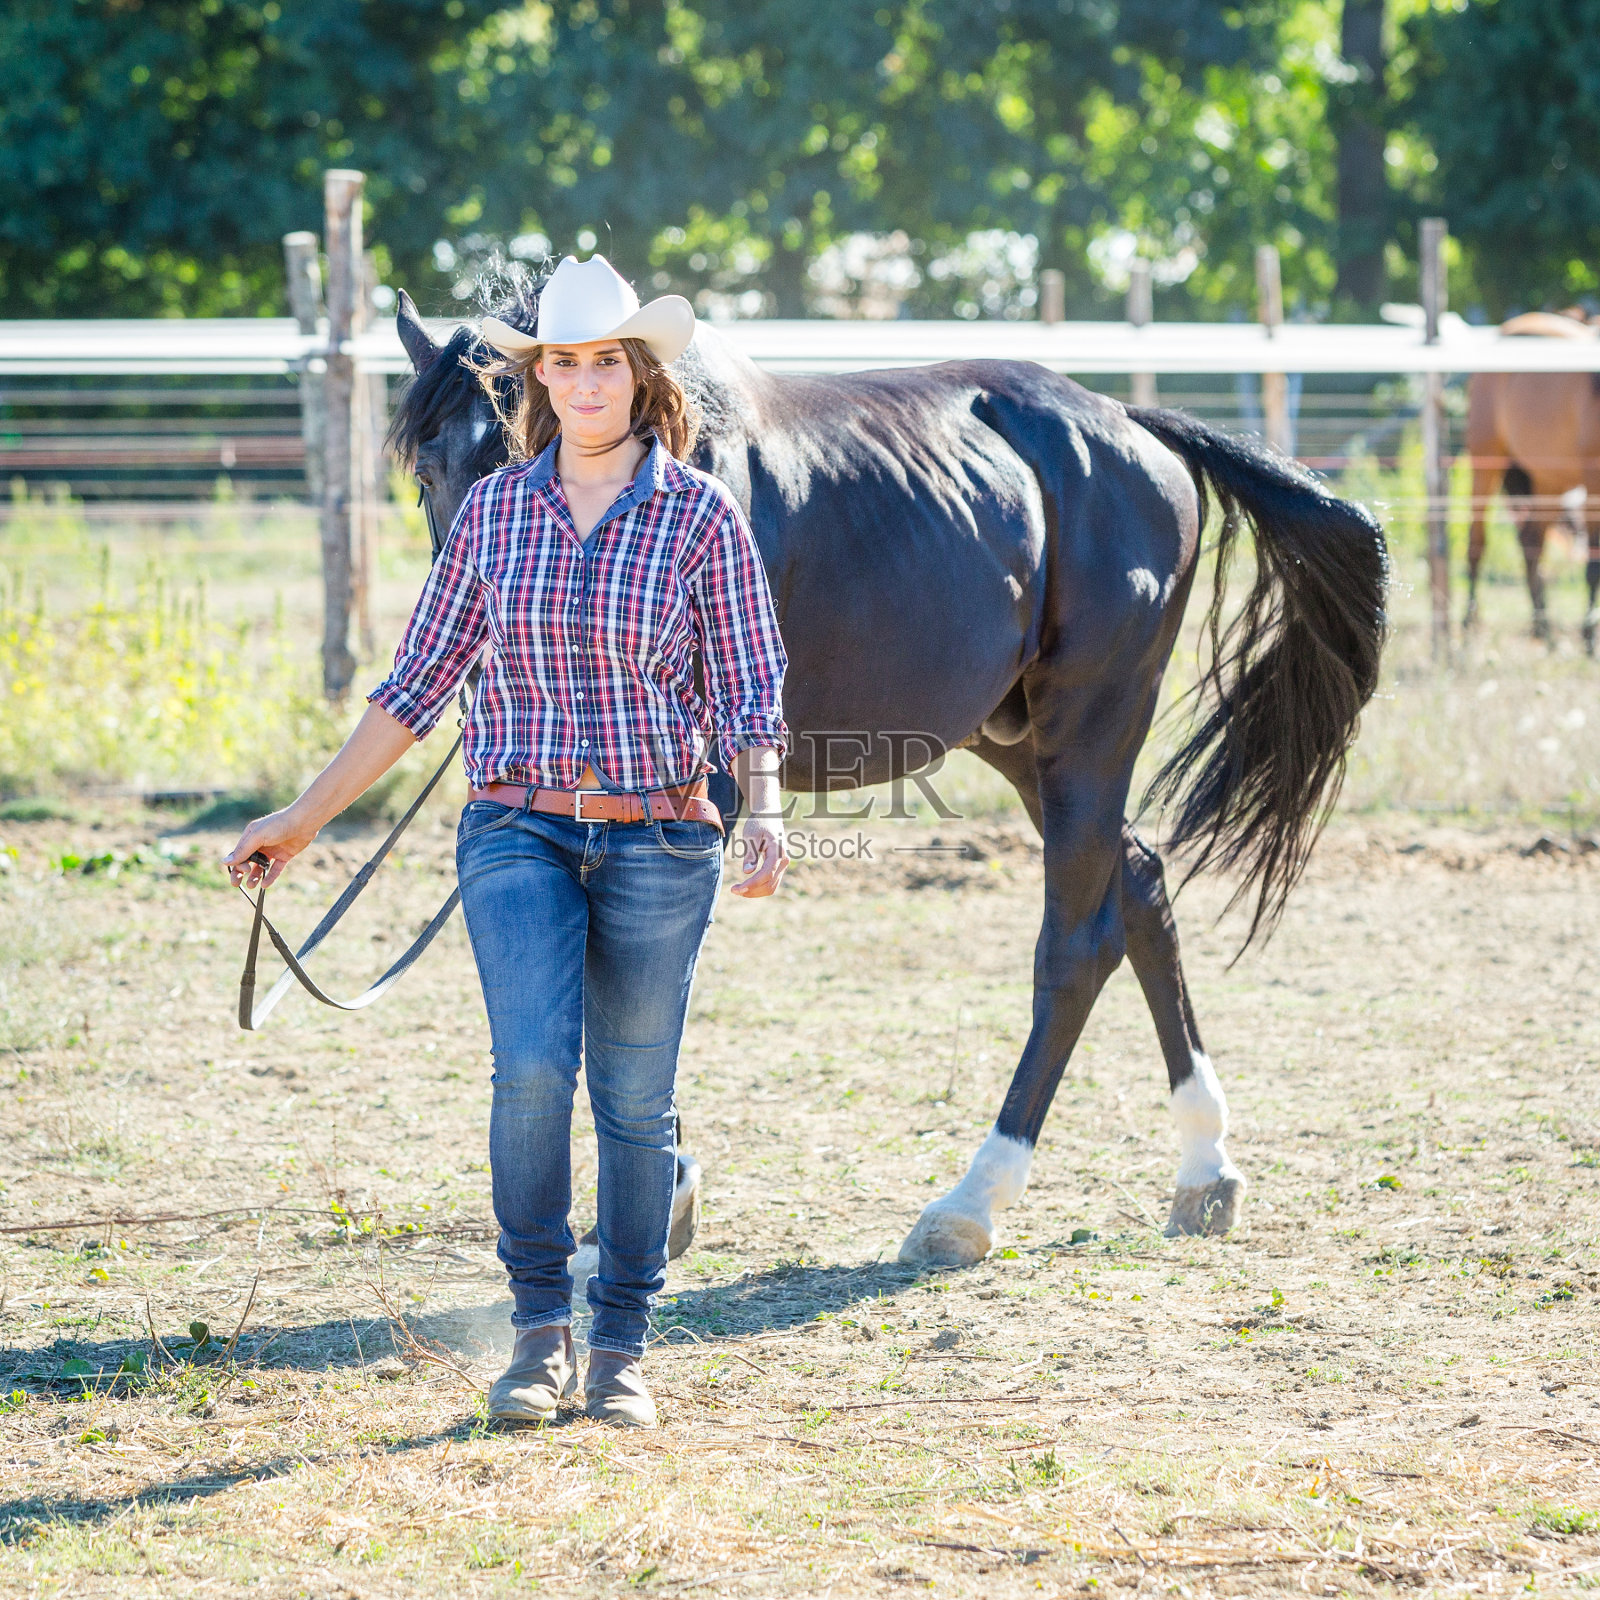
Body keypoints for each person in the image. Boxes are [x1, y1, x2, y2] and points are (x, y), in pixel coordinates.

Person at [224, 253, 789, 1429]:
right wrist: (302, 818)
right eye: (565, 364)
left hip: (657, 837)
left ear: (641, 376)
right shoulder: (492, 512)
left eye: (606, 364)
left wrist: (766, 808)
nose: (586, 384)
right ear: (541, 379)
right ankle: (539, 1330)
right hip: (516, 825)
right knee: (533, 1068)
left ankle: (621, 1341)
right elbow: (415, 686)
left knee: (636, 1098)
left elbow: (749, 686)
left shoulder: (701, 518)